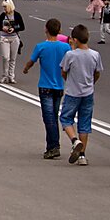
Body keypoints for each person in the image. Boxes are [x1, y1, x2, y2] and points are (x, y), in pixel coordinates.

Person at [23, 18, 72, 160]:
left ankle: (53, 146)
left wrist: (26, 69)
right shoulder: (65, 48)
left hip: (45, 86)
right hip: (59, 87)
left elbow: (31, 61)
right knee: (53, 116)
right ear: (59, 31)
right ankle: (51, 146)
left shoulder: (41, 47)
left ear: (46, 29)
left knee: (48, 118)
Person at [59, 24, 103, 167]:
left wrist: (70, 81)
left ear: (75, 40)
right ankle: (82, 155)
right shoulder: (95, 54)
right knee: (84, 123)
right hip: (88, 92)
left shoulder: (70, 55)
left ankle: (74, 140)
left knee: (65, 118)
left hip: (72, 92)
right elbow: (97, 73)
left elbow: (64, 71)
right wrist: (91, 83)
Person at [0, 0, 25, 84]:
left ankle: (11, 76)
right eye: (3, 7)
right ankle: (4, 75)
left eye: (5, 7)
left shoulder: (17, 15)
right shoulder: (3, 15)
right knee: (6, 57)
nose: (4, 8)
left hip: (14, 38)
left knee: (13, 58)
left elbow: (22, 27)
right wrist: (3, 28)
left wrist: (14, 28)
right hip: (5, 38)